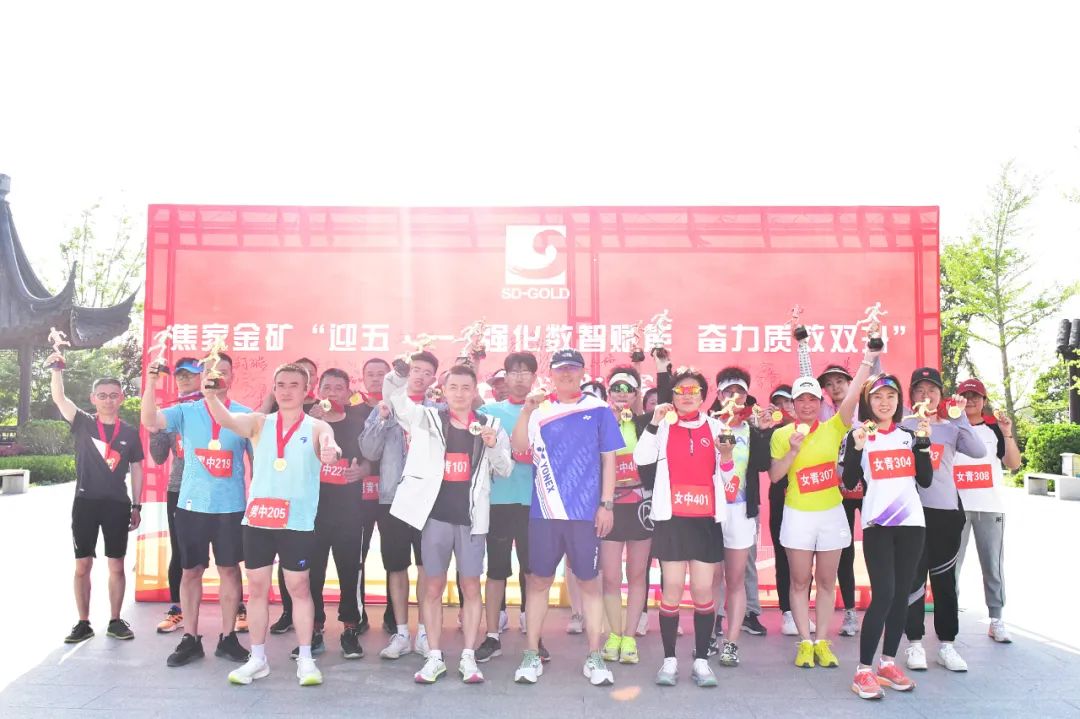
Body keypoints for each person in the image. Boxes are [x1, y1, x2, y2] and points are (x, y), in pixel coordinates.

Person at [205, 363, 342, 687]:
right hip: (259, 520)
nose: (286, 390)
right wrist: (210, 397)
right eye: (281, 384)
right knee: (257, 589)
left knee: (299, 588)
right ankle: (258, 658)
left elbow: (331, 446)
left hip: (296, 522)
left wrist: (331, 452)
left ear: (306, 391)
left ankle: (306, 658)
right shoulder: (259, 422)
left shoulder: (317, 426)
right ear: (274, 389)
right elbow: (227, 420)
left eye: (294, 385)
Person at [383, 363, 512, 683]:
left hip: (471, 519)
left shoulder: (491, 424)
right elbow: (398, 404)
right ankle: (434, 656)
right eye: (453, 387)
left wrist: (493, 445)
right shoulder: (428, 418)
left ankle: (468, 656)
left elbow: (505, 468)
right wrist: (399, 376)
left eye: (466, 388)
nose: (460, 394)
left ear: (475, 391)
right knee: (433, 586)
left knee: (471, 586)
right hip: (435, 517)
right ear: (443, 390)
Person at [511, 349, 623, 686]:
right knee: (539, 581)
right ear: (552, 374)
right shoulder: (539, 410)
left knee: (589, 582)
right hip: (544, 513)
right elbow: (519, 447)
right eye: (560, 369)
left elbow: (609, 460)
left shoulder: (599, 409)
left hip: (584, 514)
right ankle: (531, 653)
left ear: (582, 372)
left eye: (573, 369)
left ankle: (594, 656)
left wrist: (606, 504)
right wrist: (526, 410)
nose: (566, 374)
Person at [769, 344, 878, 669]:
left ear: (820, 403)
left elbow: (854, 395)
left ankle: (822, 642)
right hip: (797, 514)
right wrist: (792, 451)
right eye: (800, 400)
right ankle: (805, 642)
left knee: (828, 581)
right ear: (792, 404)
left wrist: (868, 359)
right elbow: (775, 476)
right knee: (800, 581)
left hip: (831, 513)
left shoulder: (834, 426)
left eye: (812, 399)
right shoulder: (782, 435)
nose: (806, 405)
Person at [142, 352, 252, 666]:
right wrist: (150, 384)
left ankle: (228, 638)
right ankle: (190, 638)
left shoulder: (246, 415)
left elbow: (258, 462)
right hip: (191, 505)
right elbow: (151, 421)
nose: (216, 376)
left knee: (229, 570)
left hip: (231, 506)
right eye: (210, 371)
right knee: (191, 570)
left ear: (232, 377)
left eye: (223, 371)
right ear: (202, 378)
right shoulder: (186, 411)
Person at [633, 367, 733, 687]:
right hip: (672, 521)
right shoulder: (663, 427)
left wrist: (727, 456)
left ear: (703, 397)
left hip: (705, 522)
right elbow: (641, 458)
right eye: (681, 391)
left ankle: (701, 661)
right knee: (672, 589)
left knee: (703, 591)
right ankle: (669, 661)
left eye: (694, 391)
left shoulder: (717, 427)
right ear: (672, 397)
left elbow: (729, 477)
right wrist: (654, 422)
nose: (687, 396)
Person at [840, 374, 933, 699]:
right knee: (884, 594)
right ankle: (863, 670)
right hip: (878, 524)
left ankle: (887, 664)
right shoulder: (860, 434)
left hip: (912, 525)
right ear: (868, 401)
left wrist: (923, 444)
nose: (884, 402)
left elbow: (925, 479)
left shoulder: (909, 436)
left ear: (898, 401)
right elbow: (849, 481)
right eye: (877, 397)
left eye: (890, 396)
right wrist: (856, 448)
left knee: (901, 595)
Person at [47, 355, 144, 645]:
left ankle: (115, 620)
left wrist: (136, 504)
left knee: (117, 565)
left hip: (117, 505)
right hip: (85, 503)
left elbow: (137, 468)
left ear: (122, 398)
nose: (108, 400)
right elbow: (60, 398)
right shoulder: (83, 422)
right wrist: (57, 369)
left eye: (114, 395)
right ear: (93, 398)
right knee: (82, 565)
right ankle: (83, 622)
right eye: (102, 395)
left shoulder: (130, 432)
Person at [902, 367, 986, 672]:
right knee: (913, 579)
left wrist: (960, 418)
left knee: (945, 580)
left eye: (932, 390)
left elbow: (978, 450)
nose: (926, 395)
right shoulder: (903, 427)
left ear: (941, 395)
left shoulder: (951, 428)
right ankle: (914, 644)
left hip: (946, 514)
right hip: (911, 514)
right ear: (911, 396)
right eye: (920, 390)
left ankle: (947, 645)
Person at [359, 351, 442, 659]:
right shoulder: (386, 407)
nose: (419, 376)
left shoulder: (438, 411)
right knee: (396, 566)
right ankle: (402, 633)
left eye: (426, 372)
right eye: (415, 369)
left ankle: (425, 632)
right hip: (392, 499)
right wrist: (382, 419)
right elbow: (369, 450)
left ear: (433, 379)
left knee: (426, 567)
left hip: (428, 500)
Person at [295, 368, 373, 660]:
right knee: (313, 573)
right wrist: (310, 424)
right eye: (326, 387)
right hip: (313, 513)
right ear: (317, 391)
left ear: (348, 393)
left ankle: (350, 628)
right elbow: (292, 458)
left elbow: (370, 460)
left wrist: (362, 471)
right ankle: (314, 630)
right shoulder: (306, 422)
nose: (331, 393)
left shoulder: (358, 423)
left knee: (350, 571)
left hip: (349, 512)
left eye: (338, 388)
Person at [475, 352, 547, 662]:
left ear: (534, 377)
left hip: (537, 503)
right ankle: (492, 636)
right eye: (513, 372)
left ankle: (534, 636)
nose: (519, 377)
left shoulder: (546, 412)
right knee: (496, 571)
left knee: (533, 573)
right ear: (505, 377)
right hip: (498, 501)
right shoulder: (489, 412)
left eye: (525, 371)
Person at [710, 367, 772, 667]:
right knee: (710, 579)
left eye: (740, 392)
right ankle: (710, 635)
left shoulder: (751, 430)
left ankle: (731, 643)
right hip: (709, 512)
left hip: (741, 511)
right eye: (728, 392)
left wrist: (764, 432)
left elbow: (762, 465)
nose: (734, 397)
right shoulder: (708, 425)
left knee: (735, 579)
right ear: (718, 394)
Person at [954, 378, 1021, 644]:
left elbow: (1013, 463)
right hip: (955, 509)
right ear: (957, 400)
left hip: (989, 507)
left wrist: (1007, 432)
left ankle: (996, 619)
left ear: (984, 400)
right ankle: (949, 619)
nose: (970, 401)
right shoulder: (950, 427)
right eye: (965, 396)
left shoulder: (994, 429)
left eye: (976, 396)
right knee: (951, 567)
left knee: (992, 565)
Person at [599, 366, 654, 666]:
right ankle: (614, 634)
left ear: (636, 394)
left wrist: (656, 366)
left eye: (628, 389)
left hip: (640, 506)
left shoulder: (645, 422)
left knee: (636, 574)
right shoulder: (599, 420)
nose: (622, 394)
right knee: (610, 575)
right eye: (616, 388)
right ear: (608, 392)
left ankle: (630, 636)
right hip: (610, 506)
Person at [148, 357, 203, 634]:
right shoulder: (168, 413)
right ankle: (177, 608)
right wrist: (155, 432)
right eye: (180, 374)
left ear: (202, 376)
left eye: (190, 374)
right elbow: (158, 457)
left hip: (215, 491)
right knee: (180, 551)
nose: (184, 378)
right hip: (179, 490)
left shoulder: (213, 407)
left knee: (227, 555)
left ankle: (238, 607)